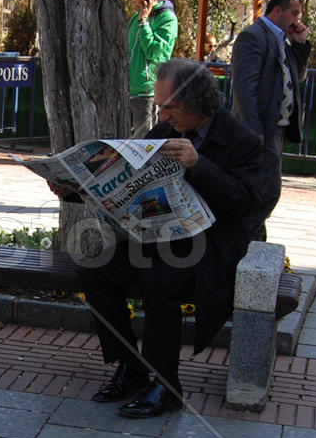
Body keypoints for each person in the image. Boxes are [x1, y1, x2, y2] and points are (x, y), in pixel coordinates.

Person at [50, 59, 265, 418]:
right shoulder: (163, 132)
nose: (162, 114)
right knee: (95, 269)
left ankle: (166, 386)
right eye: (159, 106)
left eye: (170, 106)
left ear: (197, 102)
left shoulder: (240, 141)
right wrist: (71, 190)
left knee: (160, 279)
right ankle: (130, 366)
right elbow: (129, 185)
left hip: (209, 248)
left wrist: (200, 165)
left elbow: (247, 205)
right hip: (160, 238)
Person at [231, 0, 311, 240]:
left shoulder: (282, 39)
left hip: (277, 128)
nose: (297, 20)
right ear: (278, 10)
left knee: (265, 190)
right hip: (260, 129)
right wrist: (254, 130)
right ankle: (240, 237)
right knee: (267, 191)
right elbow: (245, 89)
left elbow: (296, 77)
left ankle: (253, 240)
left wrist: (300, 46)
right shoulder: (253, 37)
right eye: (294, 13)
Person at [127, 0, 178, 138]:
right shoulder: (135, 19)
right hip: (128, 90)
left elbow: (154, 52)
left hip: (147, 91)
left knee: (145, 145)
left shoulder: (167, 19)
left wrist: (144, 23)